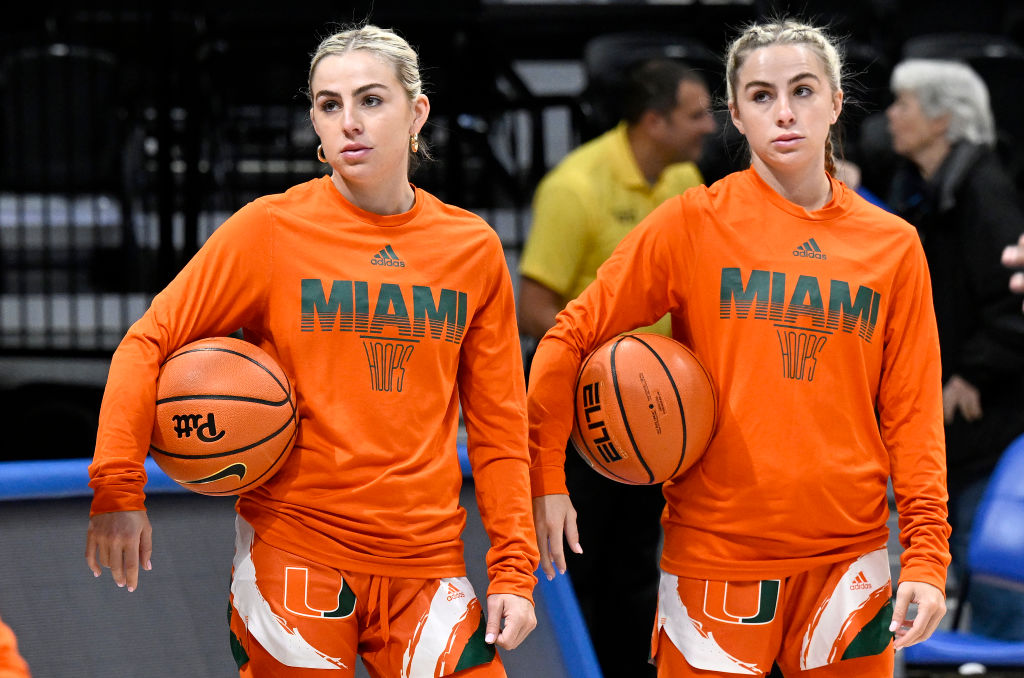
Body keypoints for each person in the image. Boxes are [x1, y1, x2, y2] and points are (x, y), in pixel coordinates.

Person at [84, 23, 539, 677]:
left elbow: (500, 426)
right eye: (330, 104)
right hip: (295, 548)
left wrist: (513, 571)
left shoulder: (472, 248)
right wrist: (119, 490)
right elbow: (146, 342)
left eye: (371, 100)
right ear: (316, 126)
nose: (349, 121)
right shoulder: (270, 229)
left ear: (417, 112)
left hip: (427, 563)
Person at [529, 17, 950, 677]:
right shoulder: (691, 223)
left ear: (837, 103)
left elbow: (914, 414)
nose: (784, 112)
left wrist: (926, 555)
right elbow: (568, 336)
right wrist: (548, 478)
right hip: (714, 558)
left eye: (804, 90)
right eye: (761, 96)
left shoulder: (893, 245)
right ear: (736, 114)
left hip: (850, 564)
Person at [518, 56, 715, 678]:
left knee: (637, 568)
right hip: (592, 410)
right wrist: (612, 366)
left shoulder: (685, 177)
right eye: (696, 114)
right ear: (654, 122)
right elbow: (533, 306)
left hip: (663, 413)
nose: (711, 126)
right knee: (582, 565)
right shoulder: (574, 188)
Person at [885, 58, 1024, 640]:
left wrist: (970, 375)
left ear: (942, 118)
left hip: (983, 413)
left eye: (905, 105)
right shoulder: (922, 185)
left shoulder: (982, 188)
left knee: (982, 559)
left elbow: (1012, 308)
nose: (891, 117)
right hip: (946, 415)